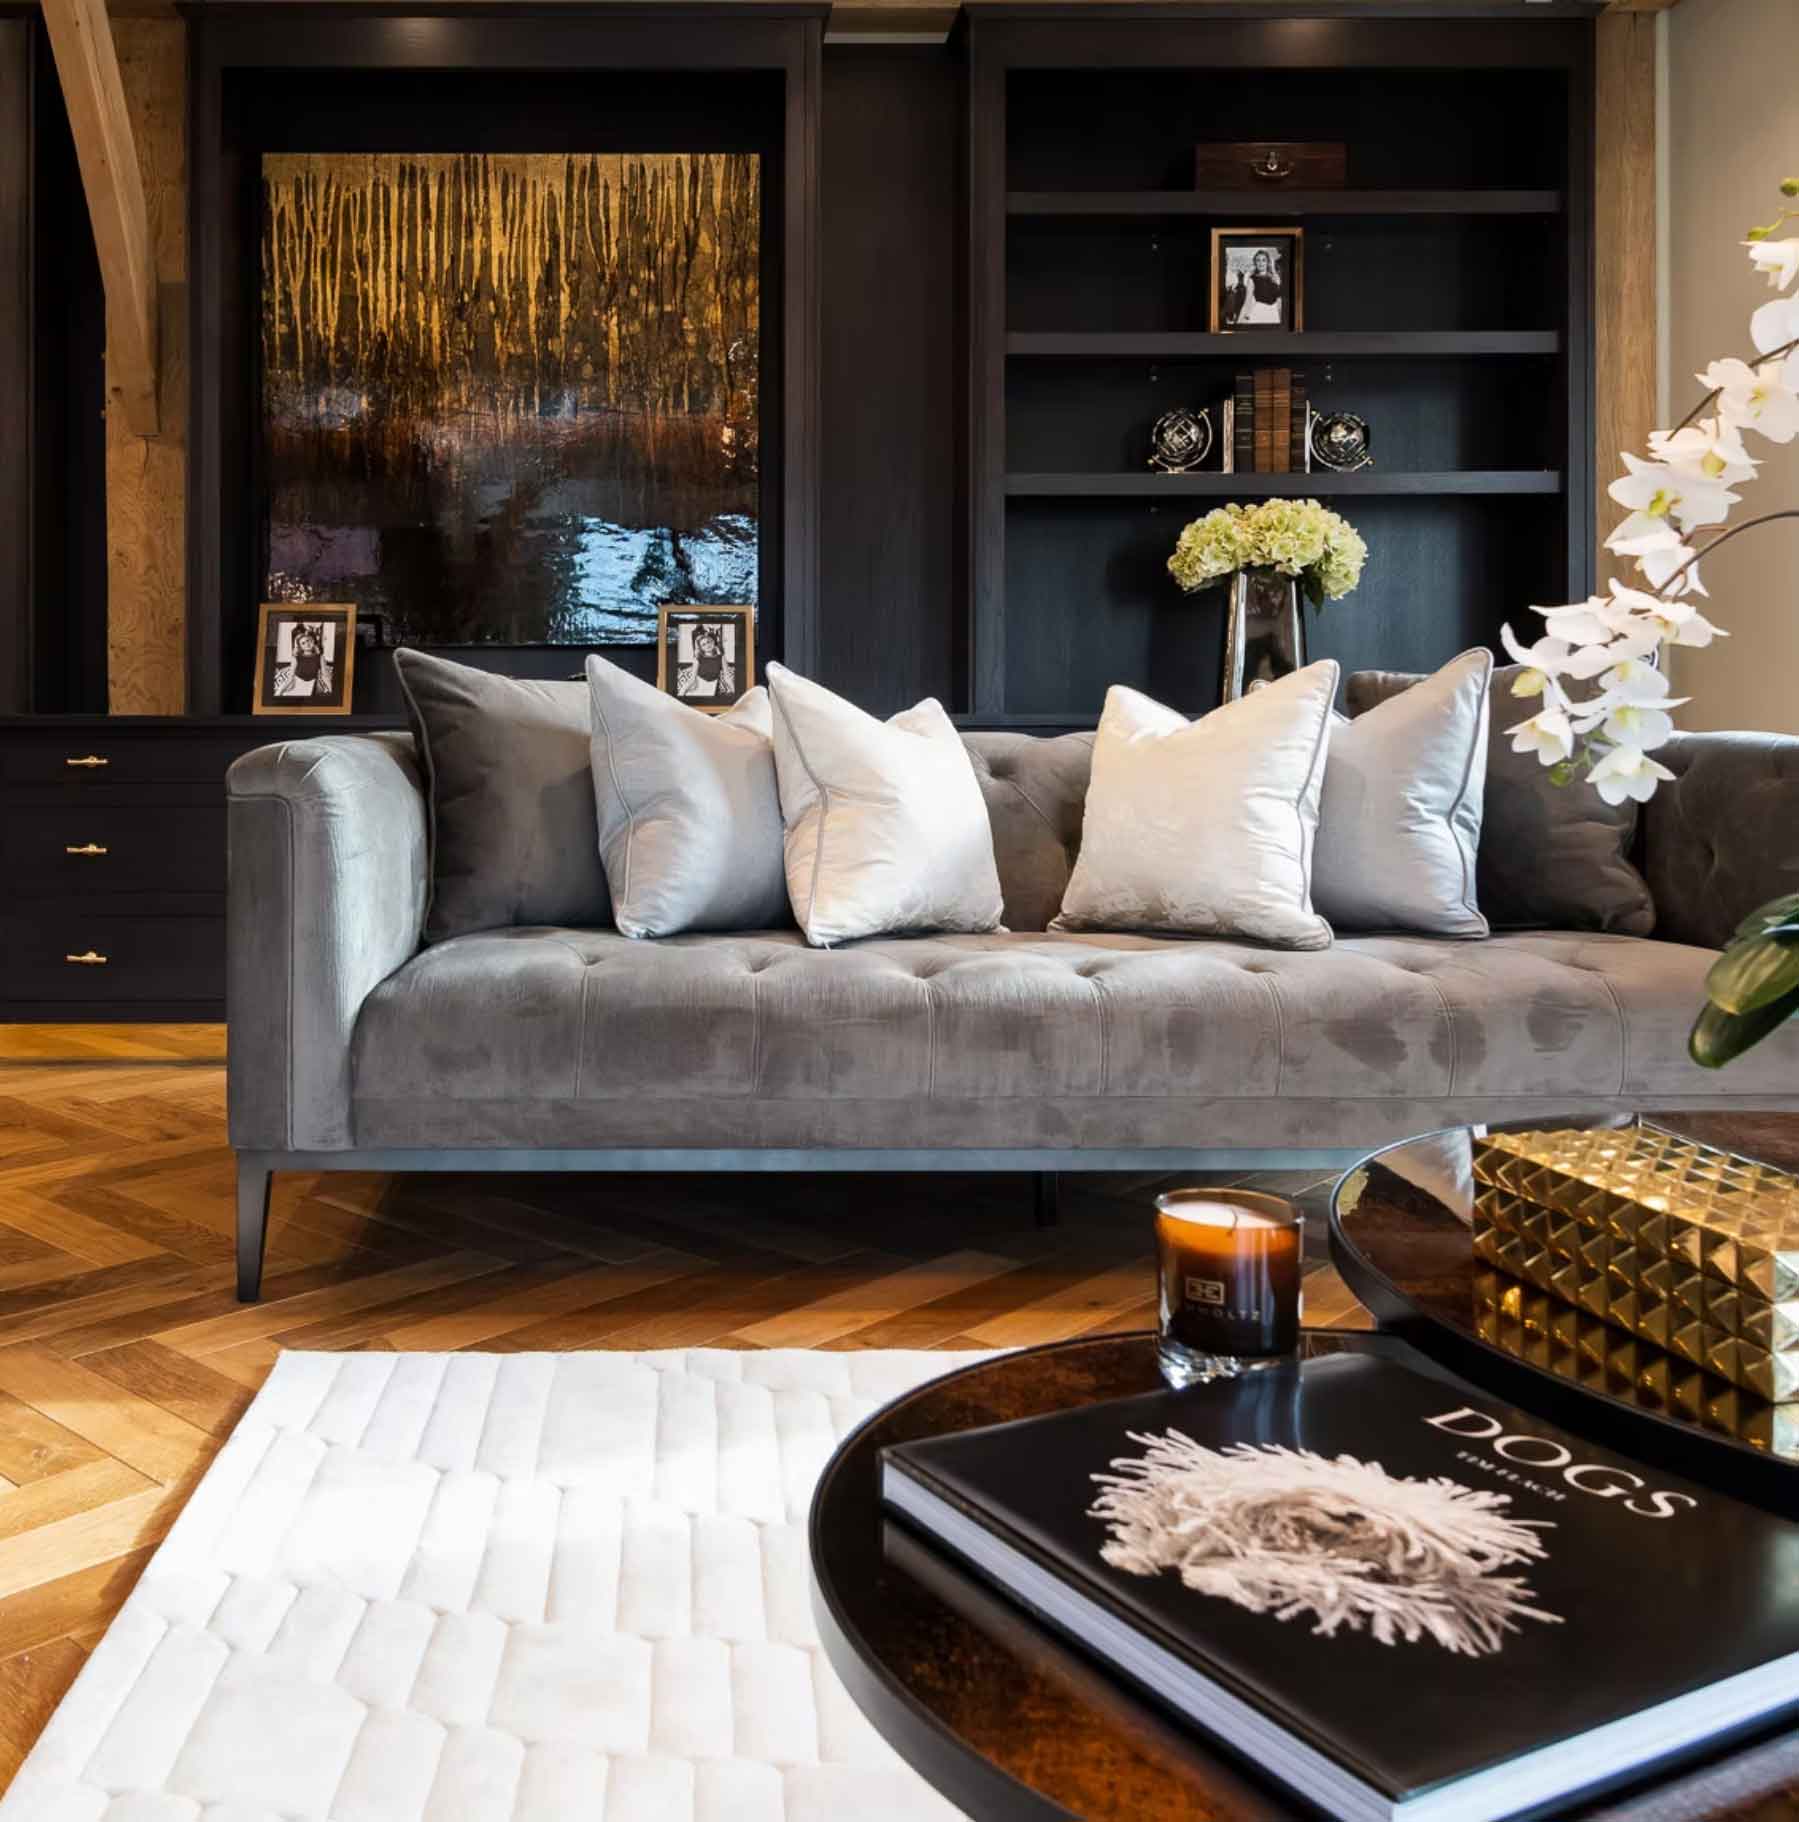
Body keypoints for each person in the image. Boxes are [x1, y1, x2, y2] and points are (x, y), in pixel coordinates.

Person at [272, 622, 336, 700]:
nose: (307, 644)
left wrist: (332, 691)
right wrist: (279, 692)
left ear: (312, 641)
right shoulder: (296, 657)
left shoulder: (320, 657)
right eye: (303, 643)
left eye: (308, 641)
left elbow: (325, 676)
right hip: (295, 684)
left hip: (310, 685)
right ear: (300, 647)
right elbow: (290, 678)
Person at [677, 623, 737, 701]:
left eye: (708, 642)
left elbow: (727, 677)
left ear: (712, 642)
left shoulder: (721, 657)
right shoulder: (697, 658)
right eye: (703, 644)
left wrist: (735, 692)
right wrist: (680, 694)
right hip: (698, 685)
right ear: (701, 648)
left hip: (712, 686)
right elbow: (691, 680)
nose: (707, 645)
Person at [1226, 248, 1284, 327]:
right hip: (1259, 313)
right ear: (1255, 262)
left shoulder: (1275, 278)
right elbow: (1247, 303)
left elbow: (1279, 301)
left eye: (1264, 260)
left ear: (1267, 262)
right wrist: (1238, 324)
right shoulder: (1252, 279)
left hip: (1274, 314)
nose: (1261, 263)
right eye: (1258, 260)